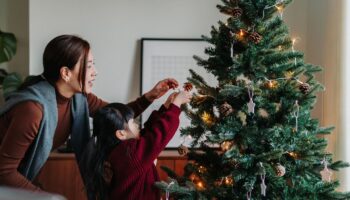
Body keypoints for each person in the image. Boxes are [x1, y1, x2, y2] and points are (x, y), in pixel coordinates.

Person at [0, 34, 179, 191]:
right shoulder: (33, 110)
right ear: (66, 73)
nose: (95, 72)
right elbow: (5, 171)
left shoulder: (79, 99)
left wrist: (150, 96)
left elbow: (116, 115)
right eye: (89, 66)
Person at [81, 90, 191, 200]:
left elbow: (147, 134)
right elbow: (159, 134)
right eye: (133, 122)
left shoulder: (120, 150)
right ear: (121, 133)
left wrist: (166, 107)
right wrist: (176, 104)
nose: (137, 124)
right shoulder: (130, 153)